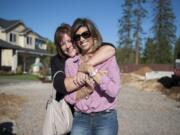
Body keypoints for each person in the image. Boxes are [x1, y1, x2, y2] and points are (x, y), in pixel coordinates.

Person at [64, 18, 120, 135]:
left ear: (94, 35)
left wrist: (91, 70)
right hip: (80, 118)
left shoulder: (107, 57)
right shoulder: (70, 63)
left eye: (85, 34)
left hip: (106, 117)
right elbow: (68, 97)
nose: (82, 39)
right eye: (77, 37)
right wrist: (86, 89)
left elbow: (114, 91)